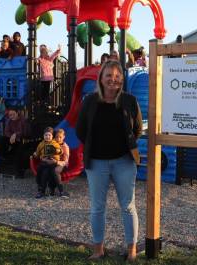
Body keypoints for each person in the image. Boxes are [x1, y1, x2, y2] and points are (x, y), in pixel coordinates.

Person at [76, 60, 142, 261]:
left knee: (128, 205)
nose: (113, 80)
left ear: (122, 79)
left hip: (124, 161)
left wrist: (126, 145)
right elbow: (80, 130)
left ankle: (131, 249)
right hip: (97, 163)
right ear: (101, 78)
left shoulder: (130, 100)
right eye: (109, 76)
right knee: (97, 207)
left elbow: (137, 128)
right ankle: (98, 249)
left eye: (117, 76)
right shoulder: (89, 100)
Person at [0, 108, 30, 177]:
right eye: (10, 115)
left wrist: (15, 135)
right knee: (2, 140)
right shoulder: (9, 121)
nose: (11, 116)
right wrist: (12, 136)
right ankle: (3, 159)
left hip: (21, 139)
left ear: (17, 113)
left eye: (13, 114)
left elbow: (25, 132)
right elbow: (6, 132)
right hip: (12, 139)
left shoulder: (23, 120)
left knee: (21, 149)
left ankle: (19, 169)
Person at [32, 127, 62, 198]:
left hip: (52, 162)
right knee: (41, 172)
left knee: (52, 173)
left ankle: (61, 190)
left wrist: (57, 151)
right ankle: (41, 190)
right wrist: (35, 154)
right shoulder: (41, 144)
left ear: (52, 136)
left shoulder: (55, 143)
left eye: (49, 135)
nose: (47, 137)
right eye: (46, 135)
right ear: (43, 136)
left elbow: (60, 151)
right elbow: (37, 153)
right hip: (44, 162)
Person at [45, 128, 70, 197]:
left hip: (62, 164)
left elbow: (66, 161)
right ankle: (51, 189)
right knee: (49, 169)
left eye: (60, 137)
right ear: (54, 137)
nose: (58, 139)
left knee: (55, 170)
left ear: (63, 137)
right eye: (56, 137)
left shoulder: (65, 146)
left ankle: (61, 190)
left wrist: (56, 162)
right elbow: (46, 154)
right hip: (53, 162)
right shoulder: (51, 144)